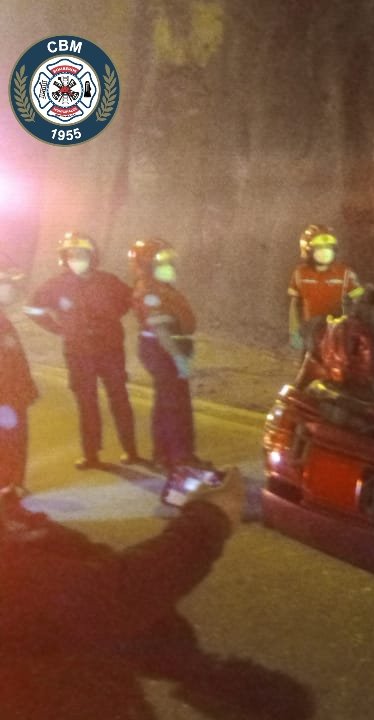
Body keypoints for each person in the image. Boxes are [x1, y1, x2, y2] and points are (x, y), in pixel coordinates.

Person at [0, 470, 312, 720]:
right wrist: (210, 519)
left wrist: (194, 667)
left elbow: (95, 577)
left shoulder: (12, 523)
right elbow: (106, 593)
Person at [24, 231, 141, 469]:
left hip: (110, 351)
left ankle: (131, 451)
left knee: (119, 399)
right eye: (71, 254)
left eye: (81, 254)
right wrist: (57, 328)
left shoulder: (109, 281)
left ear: (92, 255)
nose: (76, 258)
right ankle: (91, 455)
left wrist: (109, 320)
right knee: (87, 404)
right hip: (78, 354)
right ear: (64, 258)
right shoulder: (56, 285)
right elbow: (33, 308)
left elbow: (129, 301)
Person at [128, 238, 199, 471]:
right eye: (163, 261)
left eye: (170, 261)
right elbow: (160, 330)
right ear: (148, 265)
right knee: (174, 405)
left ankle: (164, 456)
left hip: (168, 349)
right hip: (162, 350)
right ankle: (180, 459)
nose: (170, 265)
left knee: (166, 403)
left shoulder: (160, 287)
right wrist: (178, 358)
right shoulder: (149, 291)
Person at [287, 224, 359, 350]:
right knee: (311, 366)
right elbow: (294, 305)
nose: (325, 252)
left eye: (328, 247)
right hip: (311, 333)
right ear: (308, 250)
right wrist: (294, 332)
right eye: (319, 248)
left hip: (338, 334)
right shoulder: (300, 273)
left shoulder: (345, 273)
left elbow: (360, 300)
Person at [0, 259, 37, 497]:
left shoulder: (3, 319)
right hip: (6, 397)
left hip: (13, 394)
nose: (9, 289)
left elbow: (15, 360)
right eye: (3, 284)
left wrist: (26, 388)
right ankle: (9, 488)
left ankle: (13, 483)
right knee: (9, 441)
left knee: (13, 440)